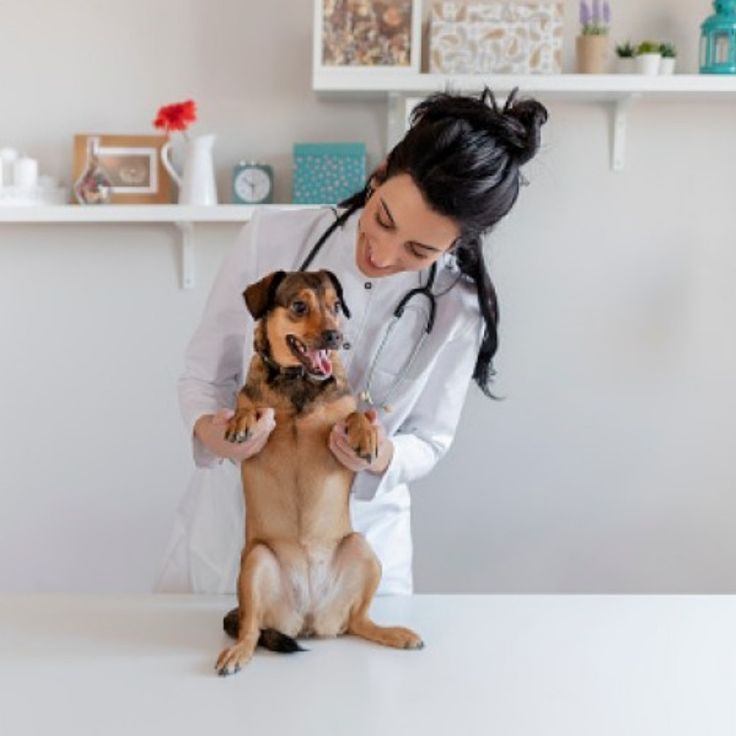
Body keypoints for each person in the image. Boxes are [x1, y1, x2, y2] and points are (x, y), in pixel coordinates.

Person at [156, 87, 548, 596]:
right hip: (239, 531)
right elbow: (204, 375)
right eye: (383, 218)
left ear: (458, 244)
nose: (382, 255)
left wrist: (381, 456)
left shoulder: (457, 307)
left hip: (358, 550)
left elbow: (430, 439)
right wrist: (214, 431)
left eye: (418, 249)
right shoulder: (272, 238)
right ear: (379, 174)